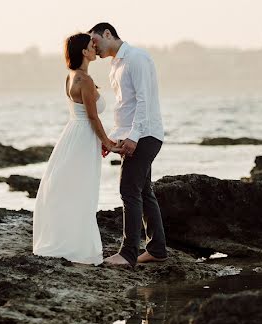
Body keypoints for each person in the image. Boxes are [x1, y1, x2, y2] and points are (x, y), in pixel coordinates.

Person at [32, 33, 120, 265]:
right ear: (84, 52)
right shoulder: (85, 81)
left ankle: (68, 240)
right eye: (92, 45)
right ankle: (76, 246)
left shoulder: (71, 77)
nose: (96, 48)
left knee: (70, 189)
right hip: (83, 138)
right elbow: (92, 117)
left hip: (73, 135)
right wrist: (108, 142)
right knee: (82, 191)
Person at [88, 22, 168, 268]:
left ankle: (128, 253)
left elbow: (144, 101)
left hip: (145, 135)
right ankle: (156, 250)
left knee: (128, 191)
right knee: (143, 191)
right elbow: (125, 108)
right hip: (133, 135)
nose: (94, 47)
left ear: (108, 34)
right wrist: (113, 139)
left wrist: (133, 137)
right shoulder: (116, 65)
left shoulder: (136, 58)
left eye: (95, 41)